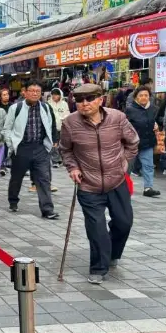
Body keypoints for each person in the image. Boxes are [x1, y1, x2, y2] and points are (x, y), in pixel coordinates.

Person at [59, 84, 140, 284]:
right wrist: (73, 168)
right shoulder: (70, 123)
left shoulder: (117, 118)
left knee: (124, 223)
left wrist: (124, 165)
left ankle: (112, 253)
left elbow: (133, 142)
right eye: (79, 100)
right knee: (96, 228)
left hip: (117, 181)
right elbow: (65, 150)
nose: (84, 104)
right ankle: (98, 267)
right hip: (88, 184)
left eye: (89, 98)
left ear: (100, 100)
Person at [2, 80, 59, 219]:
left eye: (38, 91)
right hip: (22, 148)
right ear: (25, 92)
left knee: (44, 179)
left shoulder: (46, 107)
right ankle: (13, 201)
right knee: (17, 177)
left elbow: (52, 125)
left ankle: (47, 209)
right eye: (32, 91)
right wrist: (11, 144)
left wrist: (53, 141)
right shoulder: (16, 108)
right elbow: (6, 129)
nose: (35, 93)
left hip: (40, 148)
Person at [125, 86, 161, 198]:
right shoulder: (130, 109)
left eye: (146, 95)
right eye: (141, 95)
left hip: (147, 142)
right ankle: (123, 188)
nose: (144, 97)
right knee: (127, 167)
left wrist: (156, 125)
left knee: (149, 165)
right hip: (131, 144)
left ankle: (148, 188)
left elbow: (154, 121)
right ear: (136, 97)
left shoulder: (153, 109)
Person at [48, 87, 70, 167]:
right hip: (52, 127)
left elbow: (67, 114)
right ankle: (55, 160)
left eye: (56, 95)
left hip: (63, 126)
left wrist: (62, 119)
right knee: (54, 144)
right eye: (53, 95)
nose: (54, 96)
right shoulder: (48, 104)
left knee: (63, 144)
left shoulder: (64, 104)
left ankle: (63, 159)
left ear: (60, 95)